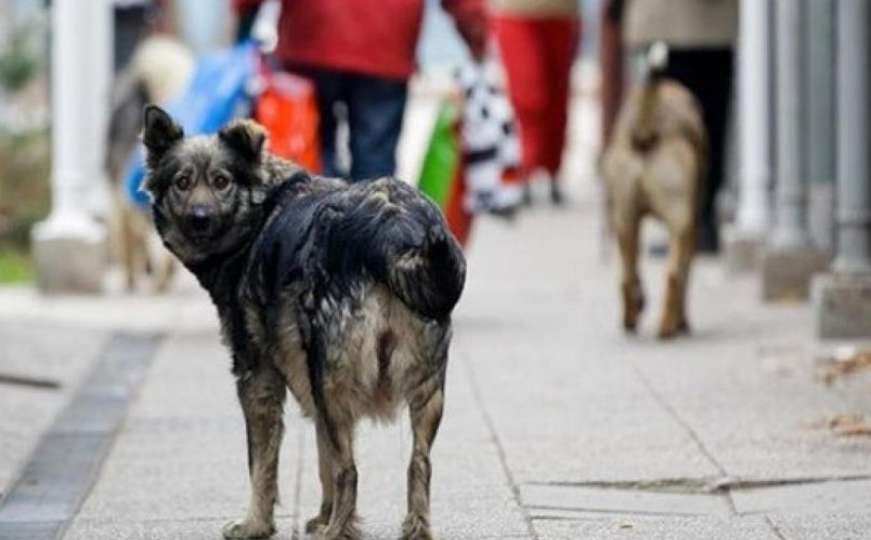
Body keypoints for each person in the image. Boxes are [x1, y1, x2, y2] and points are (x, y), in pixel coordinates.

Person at [233, 0, 487, 182]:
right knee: (374, 162)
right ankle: (369, 247)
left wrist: (243, 24)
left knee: (310, 150)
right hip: (386, 45)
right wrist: (479, 41)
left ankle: (316, 236)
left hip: (311, 37)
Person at [619, 0, 737, 253]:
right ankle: (698, 221)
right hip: (700, 25)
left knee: (677, 131)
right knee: (704, 128)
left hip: (673, 23)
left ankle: (690, 223)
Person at [489, 0, 580, 205]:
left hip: (561, 12)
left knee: (558, 97)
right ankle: (525, 168)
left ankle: (553, 170)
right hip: (515, 11)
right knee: (528, 94)